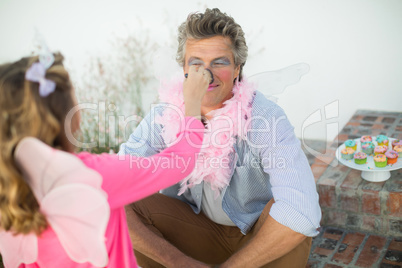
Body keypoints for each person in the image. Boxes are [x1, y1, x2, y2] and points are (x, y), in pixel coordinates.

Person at [120, 8, 322, 268]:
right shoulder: (165, 115)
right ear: (183, 69)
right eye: (196, 64)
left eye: (220, 62)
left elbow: (301, 211)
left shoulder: (265, 118)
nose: (207, 74)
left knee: (294, 222)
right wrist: (177, 261)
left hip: (257, 237)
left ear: (237, 68)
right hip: (194, 233)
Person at [0, 52, 209, 267]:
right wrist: (192, 102)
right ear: (63, 114)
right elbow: (179, 162)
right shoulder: (93, 175)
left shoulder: (8, 190)